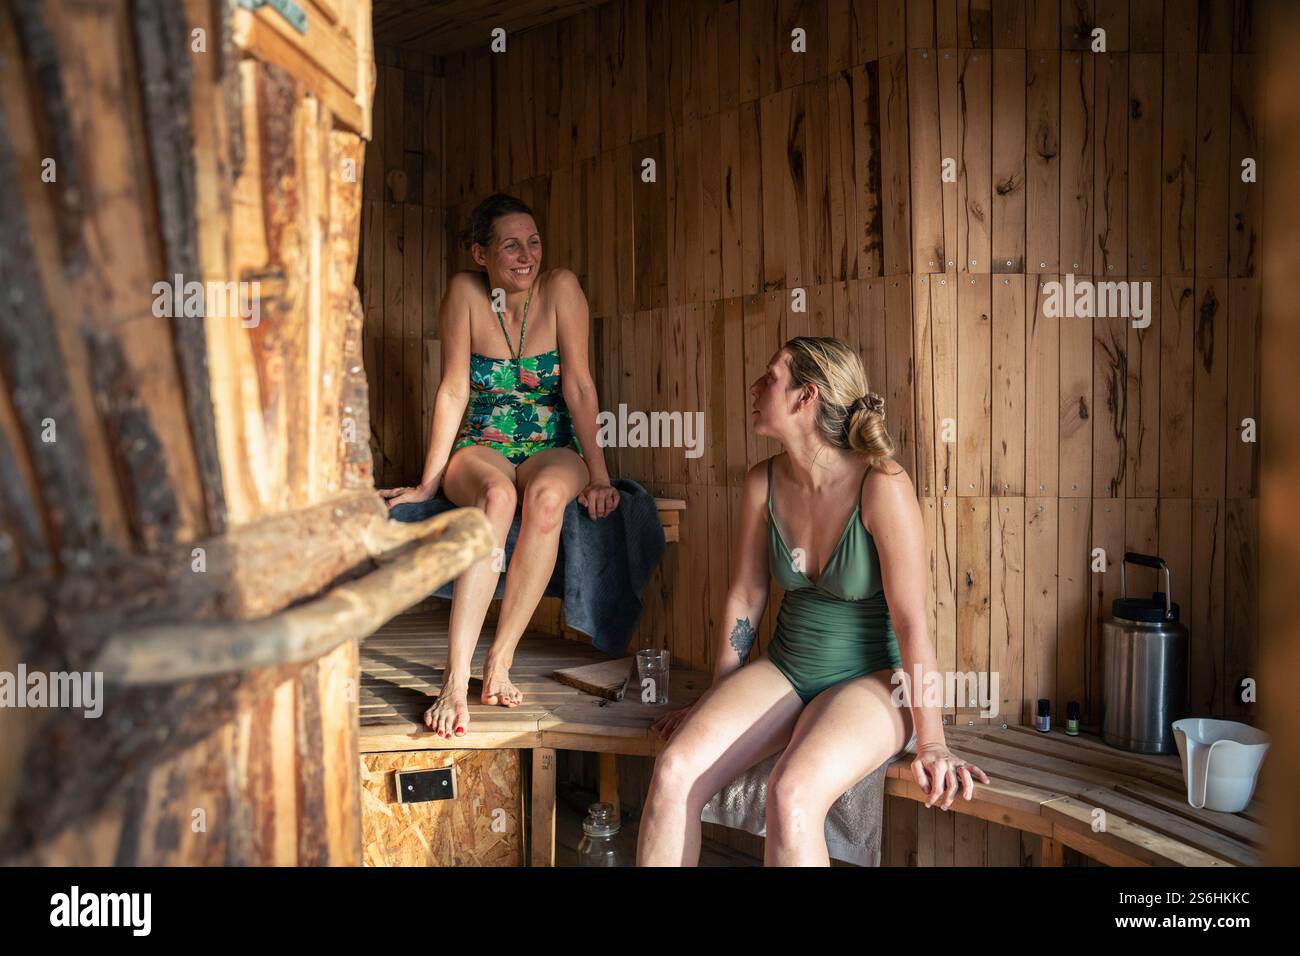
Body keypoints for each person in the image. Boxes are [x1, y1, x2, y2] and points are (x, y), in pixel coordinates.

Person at [636, 336, 988, 866]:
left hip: (873, 681)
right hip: (787, 667)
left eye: (771, 378)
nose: (755, 388)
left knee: (792, 794)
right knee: (674, 769)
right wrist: (718, 697)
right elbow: (747, 595)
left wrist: (933, 741)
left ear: (807, 397)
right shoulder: (764, 481)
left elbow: (913, 621)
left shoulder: (882, 484)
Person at [380, 193, 619, 738]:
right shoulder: (465, 293)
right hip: (482, 442)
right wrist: (427, 482)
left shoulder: (562, 289)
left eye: (532, 242)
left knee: (547, 497)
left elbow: (579, 386)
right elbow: (453, 389)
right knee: (498, 498)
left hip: (551, 442)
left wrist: (601, 475)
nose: (526, 254)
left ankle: (500, 661)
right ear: (480, 253)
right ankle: (454, 673)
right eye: (510, 244)